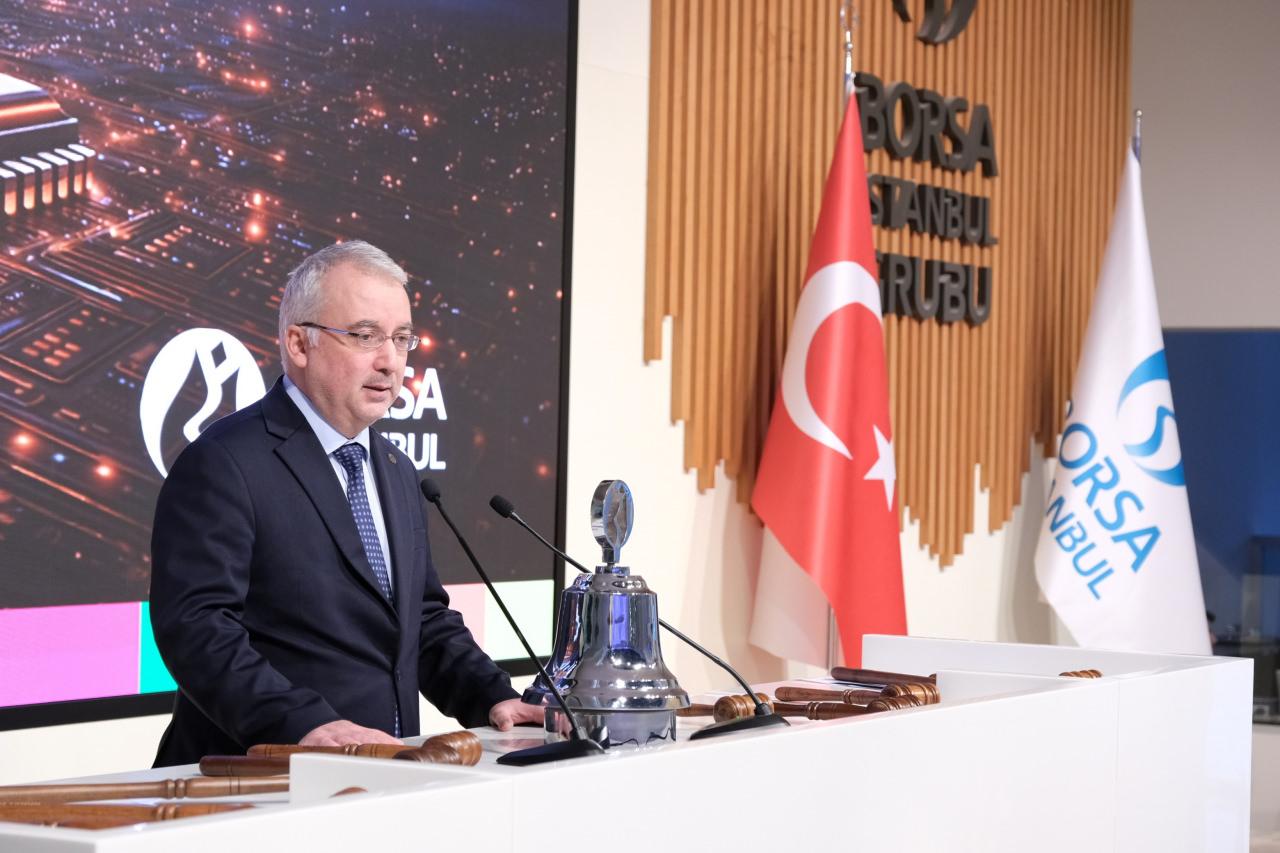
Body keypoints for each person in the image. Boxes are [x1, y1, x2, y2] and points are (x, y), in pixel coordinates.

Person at [149, 240, 540, 766]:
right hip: (259, 780)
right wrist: (302, 724)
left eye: (402, 340)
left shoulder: (397, 470)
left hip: (385, 777)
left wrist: (491, 696)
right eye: (364, 336)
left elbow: (421, 620)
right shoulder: (224, 463)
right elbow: (197, 628)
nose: (390, 361)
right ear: (299, 344)